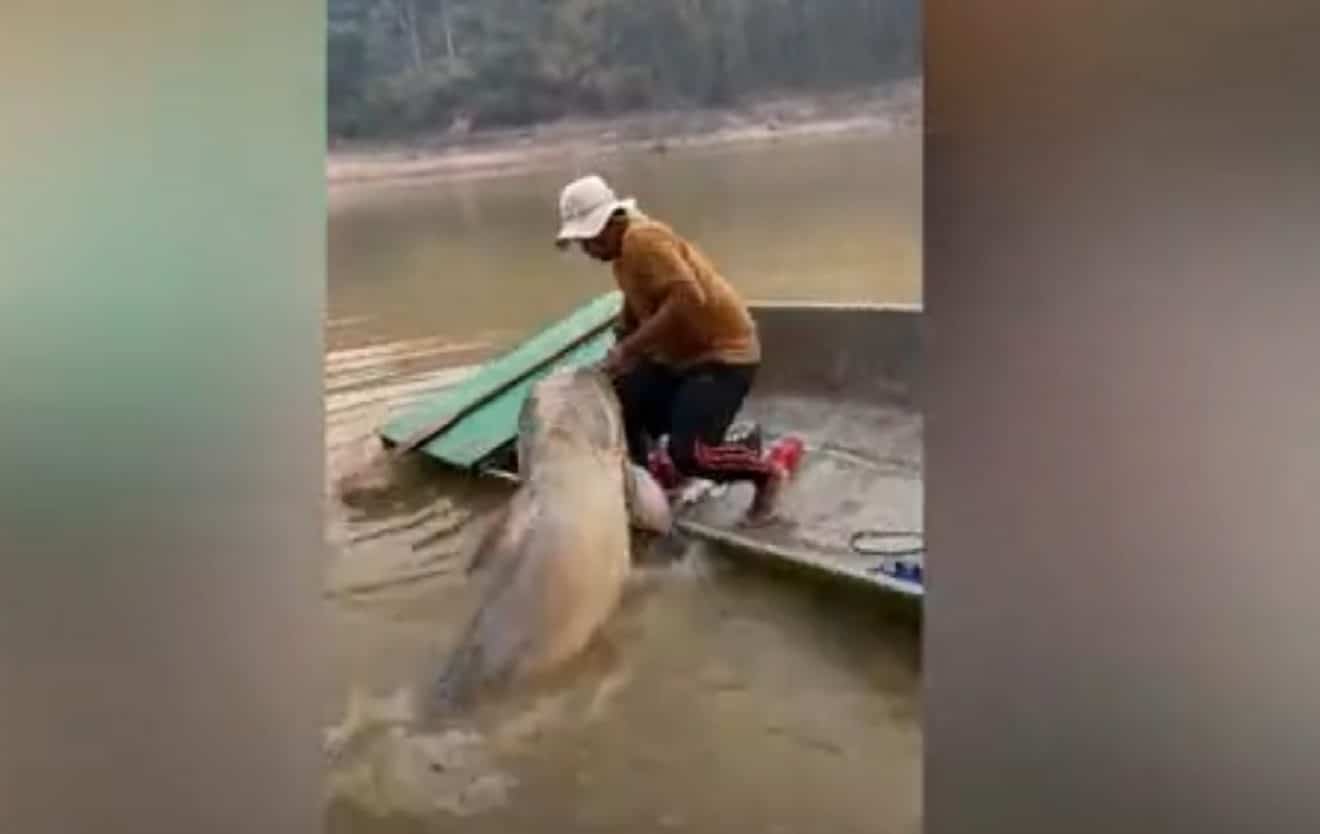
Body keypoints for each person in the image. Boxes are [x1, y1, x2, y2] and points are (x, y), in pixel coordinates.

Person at [553, 174, 787, 523]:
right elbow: (636, 308)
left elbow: (690, 298)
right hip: (681, 358)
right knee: (621, 398)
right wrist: (617, 351)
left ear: (608, 224)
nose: (585, 250)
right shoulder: (623, 257)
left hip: (722, 357)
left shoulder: (643, 240)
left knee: (690, 454)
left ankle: (766, 475)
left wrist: (630, 349)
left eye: (586, 240)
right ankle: (647, 486)